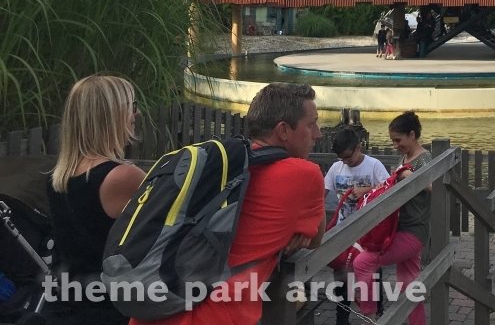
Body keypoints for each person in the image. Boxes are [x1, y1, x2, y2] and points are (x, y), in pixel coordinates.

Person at [137, 83, 326, 325]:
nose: (318, 134)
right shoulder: (305, 174)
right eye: (311, 124)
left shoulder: (222, 167)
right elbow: (316, 240)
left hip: (157, 308)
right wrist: (297, 228)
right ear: (283, 130)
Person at [42, 75, 147, 325]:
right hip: (114, 309)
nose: (137, 113)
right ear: (112, 116)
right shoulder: (123, 177)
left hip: (72, 303)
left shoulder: (58, 177)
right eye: (131, 106)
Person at [352, 111, 431, 325]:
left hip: (412, 231)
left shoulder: (424, 158)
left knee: (362, 263)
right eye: (392, 141)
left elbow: (433, 185)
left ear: (412, 135)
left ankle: (369, 317)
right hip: (401, 228)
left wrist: (407, 175)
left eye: (398, 140)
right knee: (409, 286)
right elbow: (392, 184)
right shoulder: (405, 157)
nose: (395, 145)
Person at [323, 128, 389, 325]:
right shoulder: (336, 168)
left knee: (371, 273)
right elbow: (322, 195)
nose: (345, 162)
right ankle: (342, 317)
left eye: (347, 157)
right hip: (343, 230)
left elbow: (389, 187)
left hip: (369, 232)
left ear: (358, 148)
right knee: (341, 275)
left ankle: (377, 310)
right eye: (341, 158)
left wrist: (367, 190)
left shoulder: (374, 165)